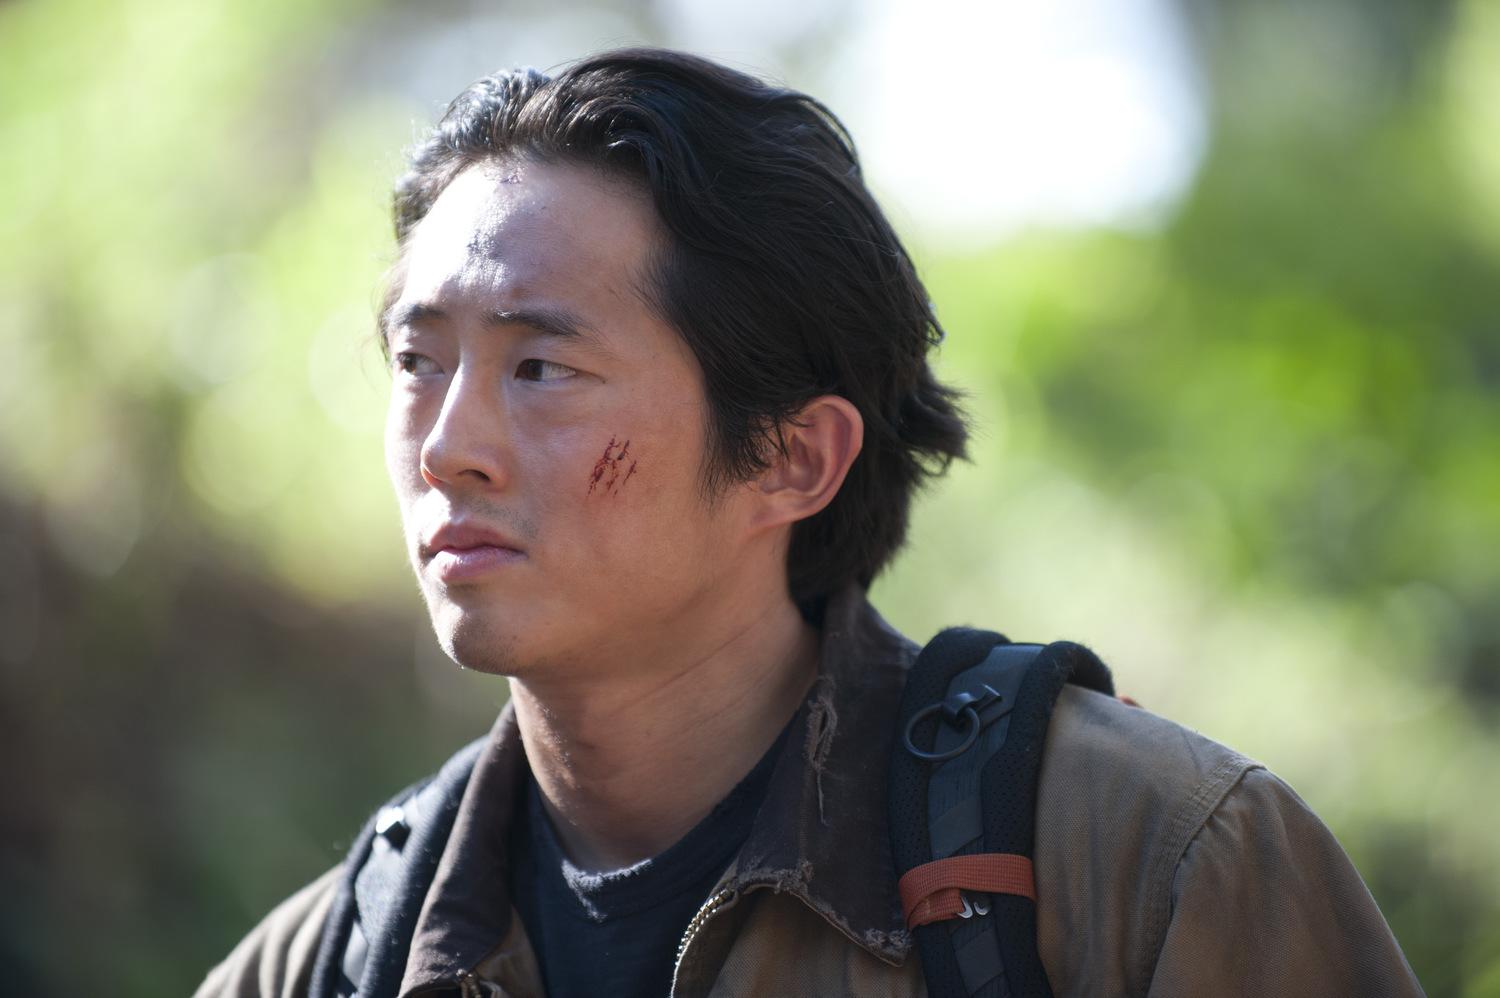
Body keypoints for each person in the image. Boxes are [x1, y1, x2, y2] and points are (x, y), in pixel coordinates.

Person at [195, 48, 1423, 998]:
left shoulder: (1148, 863)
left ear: (792, 457)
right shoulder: (339, 956)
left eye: (542, 368)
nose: (447, 445)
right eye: (419, 360)